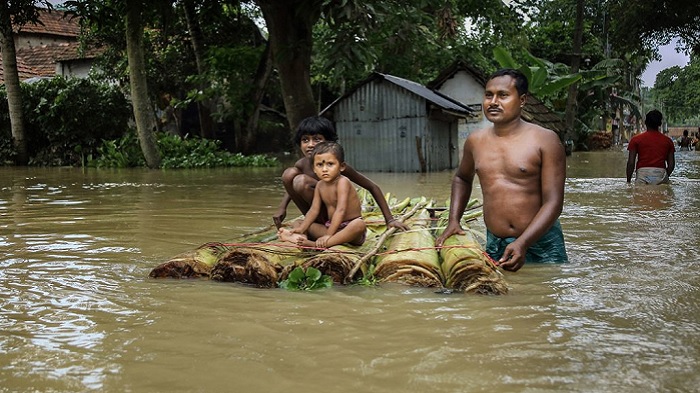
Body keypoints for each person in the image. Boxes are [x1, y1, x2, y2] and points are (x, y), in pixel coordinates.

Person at [434, 68, 567, 272]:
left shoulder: (545, 140)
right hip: (495, 243)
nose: (493, 102)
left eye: (503, 95)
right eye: (489, 95)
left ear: (522, 100)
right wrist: (453, 221)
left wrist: (523, 242)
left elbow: (554, 203)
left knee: (542, 296)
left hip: (541, 243)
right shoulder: (475, 142)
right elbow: (462, 178)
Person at [273, 116, 408, 232]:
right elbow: (290, 185)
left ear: (329, 142)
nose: (310, 144)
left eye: (317, 139)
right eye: (305, 140)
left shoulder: (338, 167)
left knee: (301, 181)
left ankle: (323, 229)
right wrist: (282, 208)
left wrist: (389, 219)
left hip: (338, 216)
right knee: (289, 174)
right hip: (315, 214)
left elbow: (372, 187)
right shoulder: (302, 164)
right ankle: (315, 225)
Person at [278, 142, 366, 248]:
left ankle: (316, 245)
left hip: (349, 230)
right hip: (330, 228)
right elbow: (314, 210)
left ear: (341, 167)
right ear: (314, 169)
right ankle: (300, 238)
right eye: (320, 165)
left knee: (359, 224)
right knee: (299, 223)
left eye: (330, 164)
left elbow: (341, 210)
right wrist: (302, 229)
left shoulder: (343, 182)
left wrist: (329, 235)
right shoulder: (320, 185)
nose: (324, 169)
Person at [626, 110, 675, 185]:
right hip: (661, 174)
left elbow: (631, 163)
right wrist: (665, 176)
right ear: (660, 124)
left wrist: (628, 181)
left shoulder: (635, 140)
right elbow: (671, 165)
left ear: (646, 123)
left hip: (642, 175)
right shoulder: (668, 141)